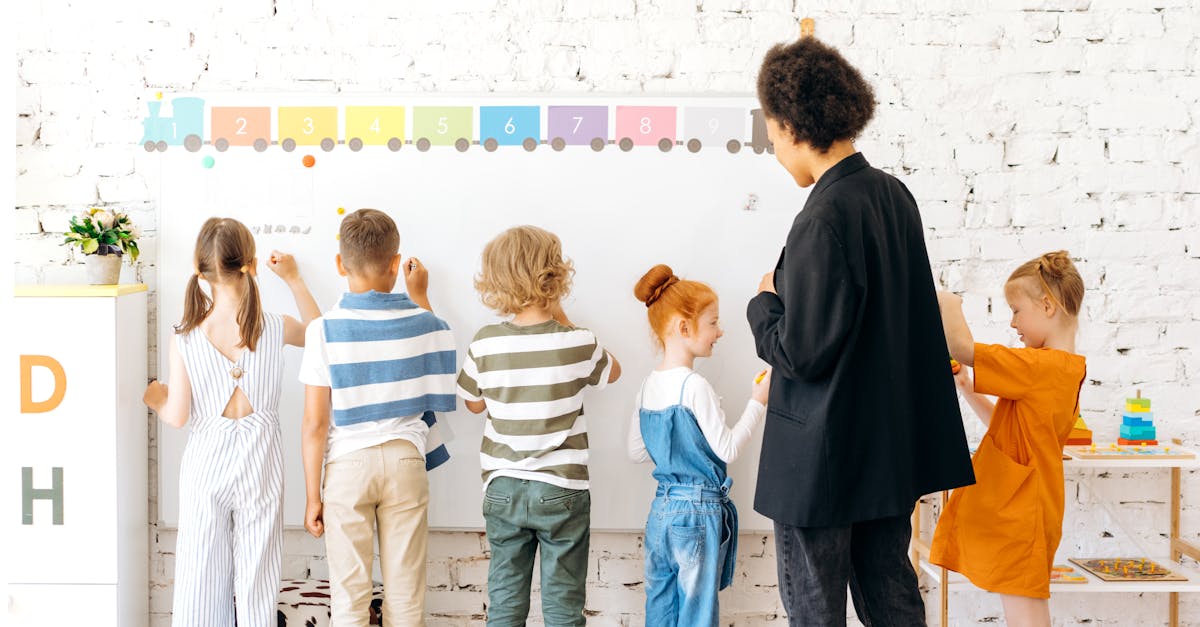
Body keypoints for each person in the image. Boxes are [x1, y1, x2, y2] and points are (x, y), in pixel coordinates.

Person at [747, 36, 975, 626]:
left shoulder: (824, 215)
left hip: (821, 462)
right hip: (884, 453)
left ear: (794, 126)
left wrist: (763, 303)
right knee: (892, 597)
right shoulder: (893, 197)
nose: (773, 150)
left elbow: (802, 353)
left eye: (771, 136)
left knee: (815, 610)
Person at [144, 217, 319, 627]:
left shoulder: (185, 336)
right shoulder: (273, 327)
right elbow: (318, 333)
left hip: (207, 463)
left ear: (199, 268)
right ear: (252, 265)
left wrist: (156, 398)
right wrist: (293, 279)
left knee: (200, 580)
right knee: (258, 580)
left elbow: (178, 415)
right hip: (262, 464)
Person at [298, 208, 457, 626]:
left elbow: (315, 425)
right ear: (394, 263)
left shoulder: (324, 329)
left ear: (339, 264)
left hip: (347, 467)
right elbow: (438, 356)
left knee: (349, 599)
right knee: (405, 598)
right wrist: (419, 293)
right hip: (406, 462)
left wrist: (313, 495)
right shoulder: (422, 321)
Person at [456, 225, 620, 627]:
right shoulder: (577, 341)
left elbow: (474, 405)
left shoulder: (485, 342)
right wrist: (560, 317)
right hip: (562, 488)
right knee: (564, 606)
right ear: (556, 276)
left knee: (506, 599)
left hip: (503, 488)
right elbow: (612, 373)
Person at [931, 251, 1087, 627]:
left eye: (1016, 310)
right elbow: (1006, 431)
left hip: (1023, 515)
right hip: (1026, 511)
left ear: (1047, 306)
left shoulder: (1040, 366)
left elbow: (961, 347)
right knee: (1024, 610)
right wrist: (968, 389)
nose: (1013, 322)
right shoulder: (1061, 368)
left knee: (1026, 616)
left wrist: (945, 301)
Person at [628, 264, 769, 626]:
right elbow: (728, 450)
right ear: (684, 327)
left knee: (660, 607)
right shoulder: (694, 386)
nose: (720, 332)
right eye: (713, 323)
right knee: (697, 614)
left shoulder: (647, 386)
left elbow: (637, 451)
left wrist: (672, 448)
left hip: (661, 510)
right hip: (696, 513)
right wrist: (757, 401)